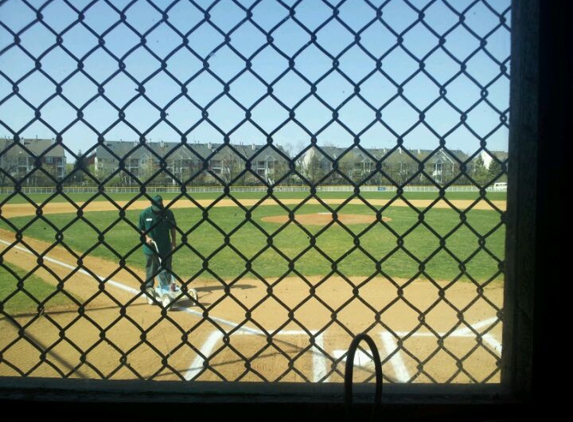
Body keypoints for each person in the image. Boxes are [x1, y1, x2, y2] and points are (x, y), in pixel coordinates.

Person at [138, 195, 177, 304]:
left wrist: (173, 242)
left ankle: (167, 288)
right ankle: (149, 289)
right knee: (151, 269)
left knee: (166, 268)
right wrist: (146, 237)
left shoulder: (168, 213)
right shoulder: (144, 214)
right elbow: (141, 229)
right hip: (151, 247)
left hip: (165, 246)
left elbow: (173, 228)